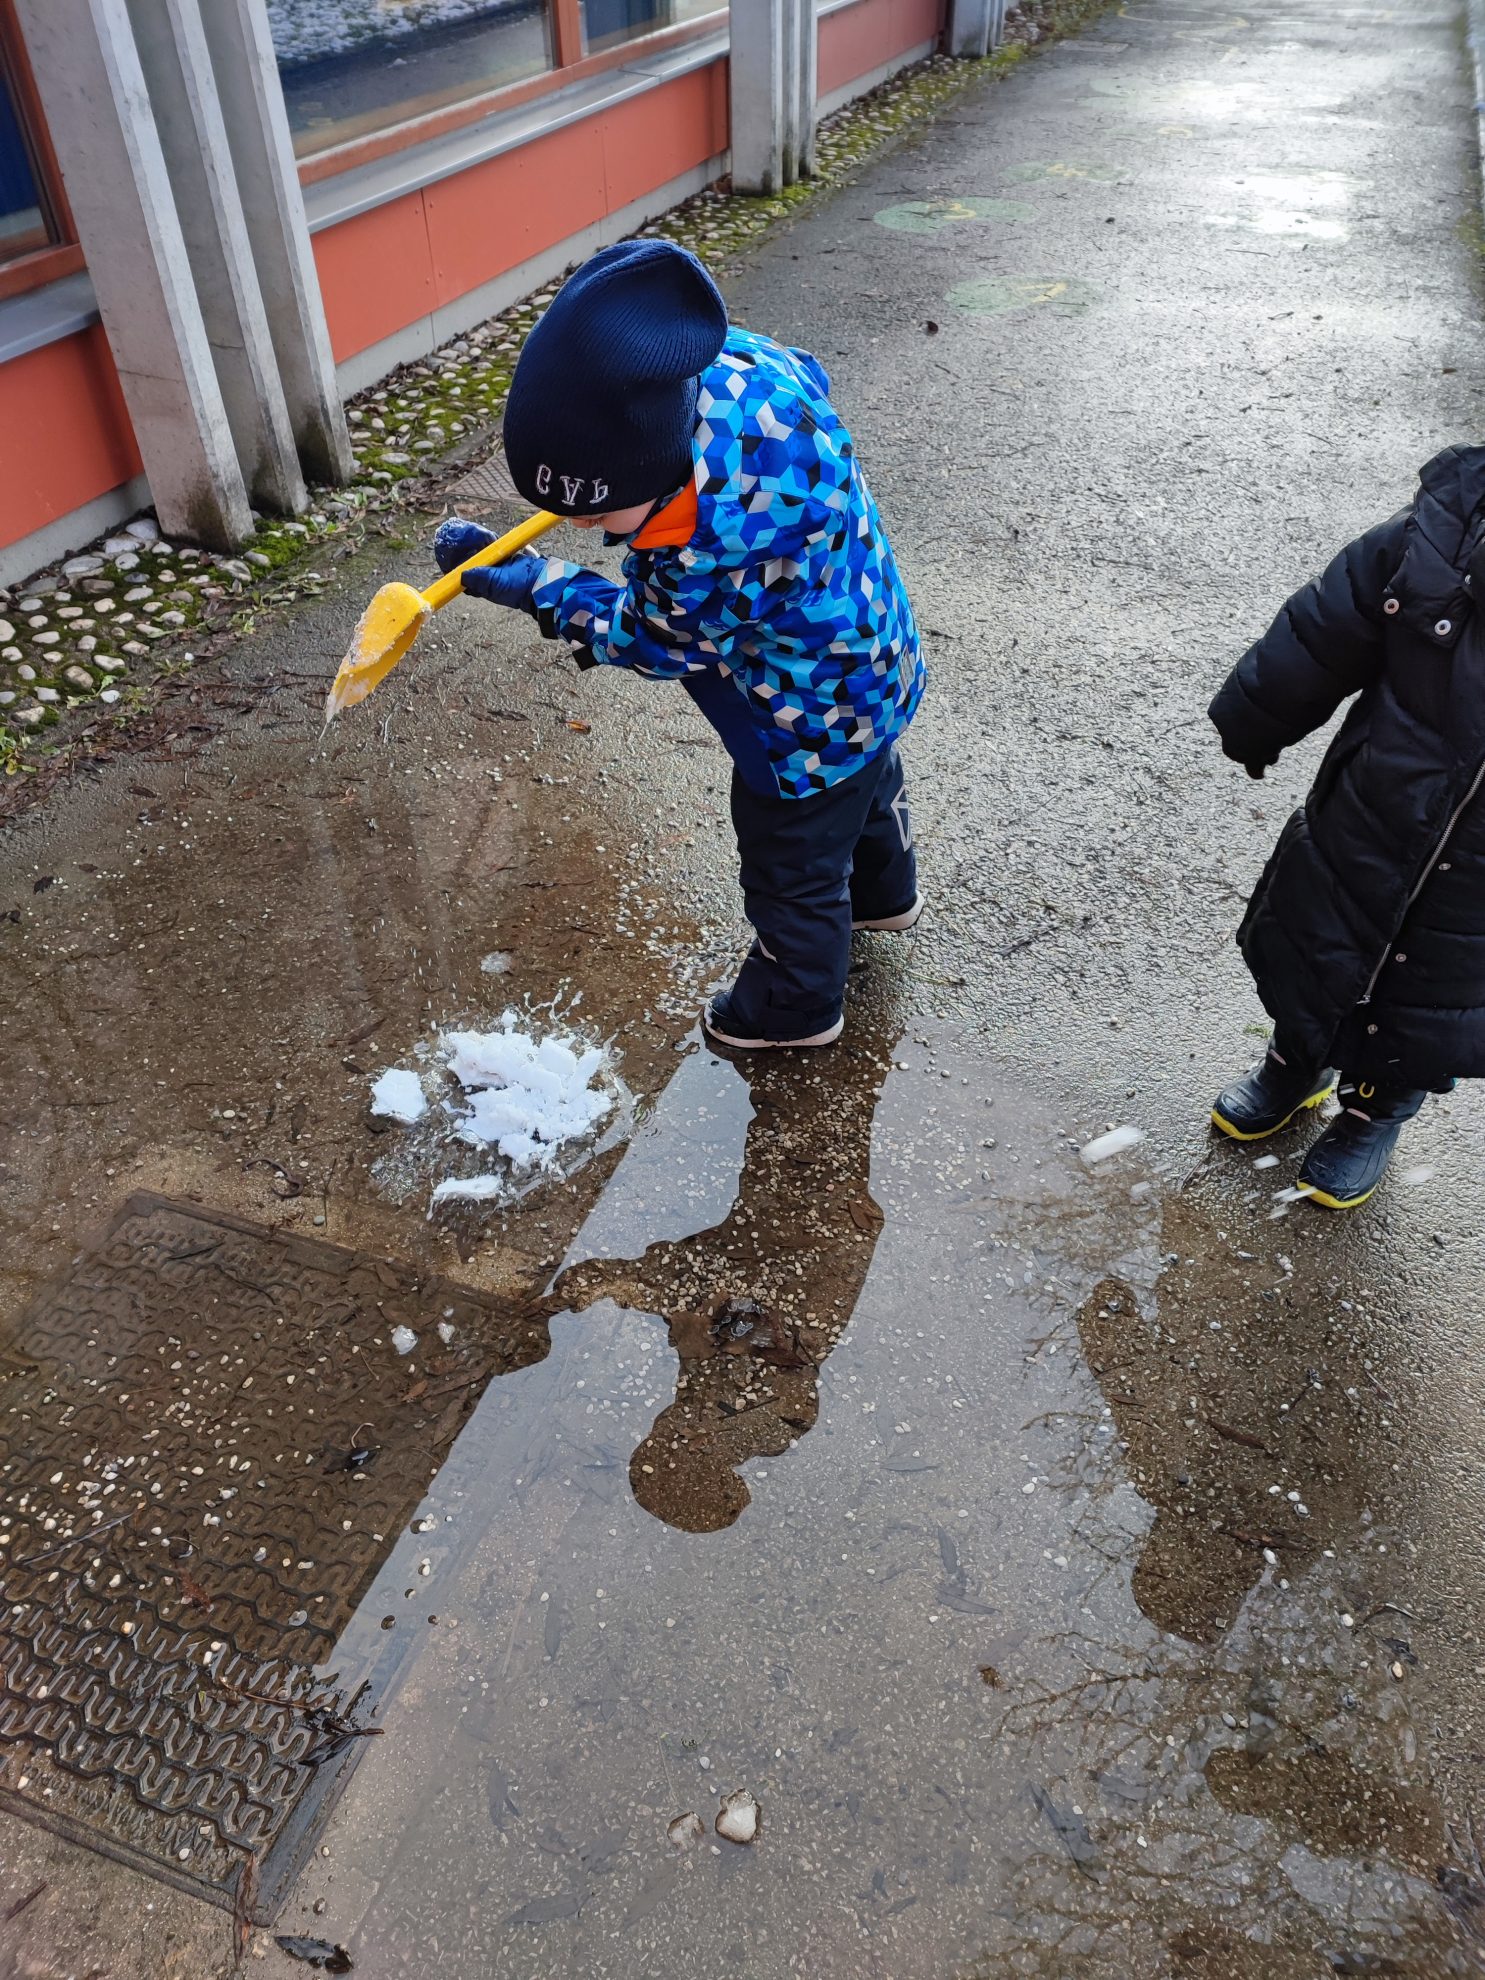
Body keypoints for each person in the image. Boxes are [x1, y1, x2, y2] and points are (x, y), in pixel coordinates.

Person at [433, 238, 925, 1050]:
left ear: (652, 469)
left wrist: (536, 586)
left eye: (598, 512)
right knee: (865, 779)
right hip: (873, 650)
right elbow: (805, 373)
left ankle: (794, 1008)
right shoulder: (732, 372)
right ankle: (883, 898)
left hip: (799, 718)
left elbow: (653, 641)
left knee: (791, 863)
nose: (582, 528)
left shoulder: (710, 548)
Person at [1207, 445, 1485, 1208]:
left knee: (1428, 1002)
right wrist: (1256, 713)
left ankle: (1374, 1111)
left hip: (1474, 894)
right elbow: (1328, 624)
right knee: (1317, 943)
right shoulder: (1443, 528)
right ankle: (1294, 1060)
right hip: (1372, 811)